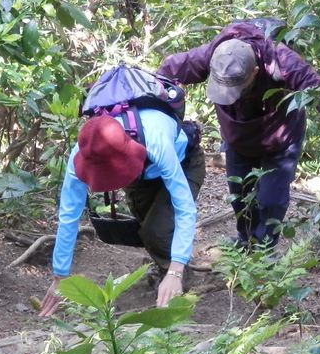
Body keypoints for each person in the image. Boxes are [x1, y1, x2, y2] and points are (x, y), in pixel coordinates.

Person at [157, 21, 320, 249]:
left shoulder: (281, 60)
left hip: (281, 137)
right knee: (240, 197)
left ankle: (264, 252)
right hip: (238, 138)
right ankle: (246, 241)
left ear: (255, 72)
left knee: (271, 199)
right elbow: (169, 70)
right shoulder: (215, 54)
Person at [39, 108, 205, 316]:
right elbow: (68, 215)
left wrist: (175, 271)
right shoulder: (84, 152)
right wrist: (60, 276)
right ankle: (163, 274)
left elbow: (185, 208)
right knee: (147, 229)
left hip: (184, 163)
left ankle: (177, 284)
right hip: (142, 176)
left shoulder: (155, 139)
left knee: (158, 231)